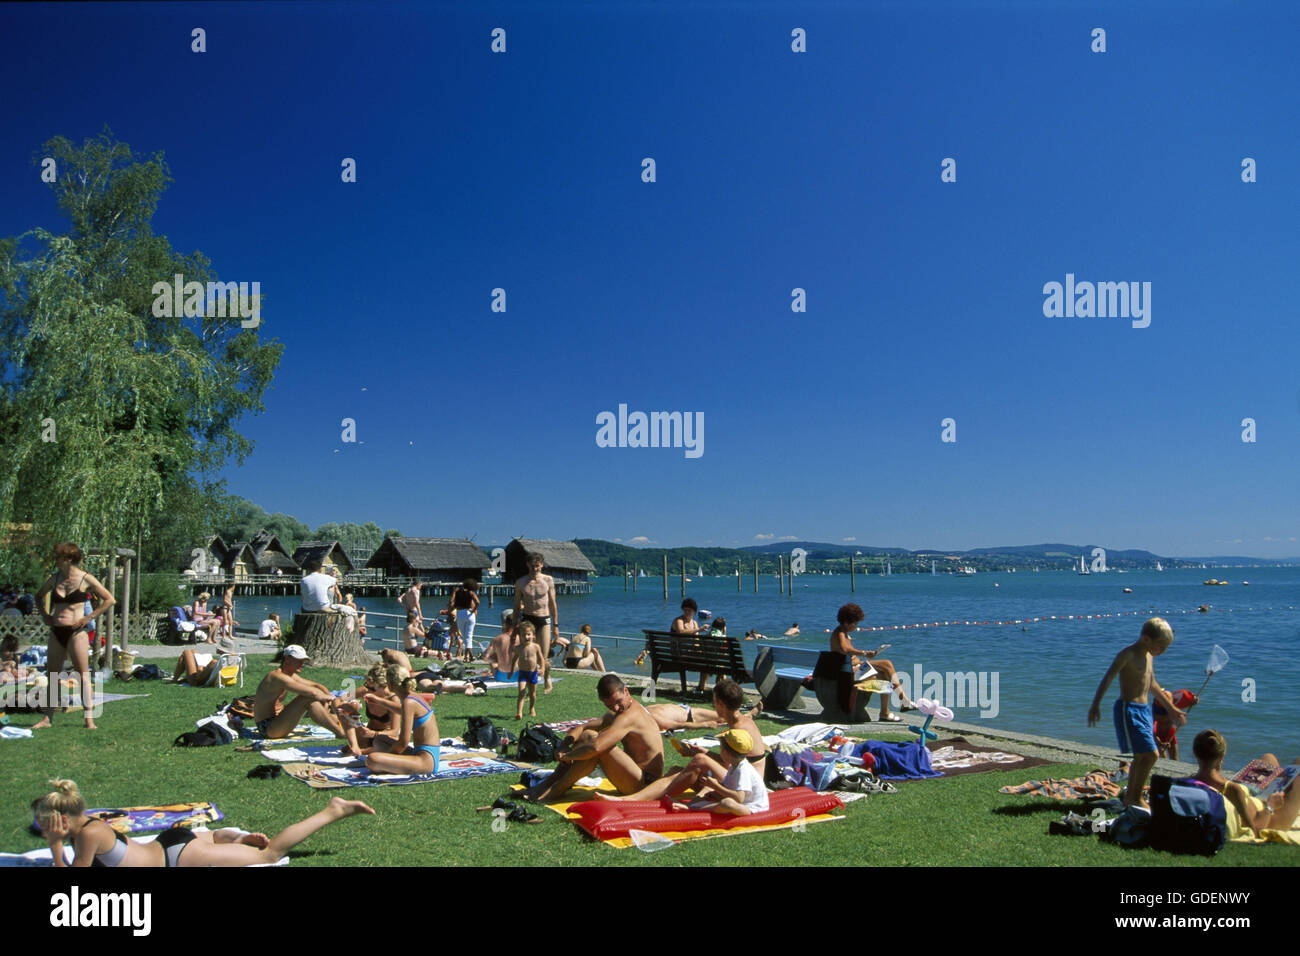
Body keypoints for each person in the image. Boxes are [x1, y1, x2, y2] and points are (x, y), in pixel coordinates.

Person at [33, 778, 373, 867]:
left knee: (268, 856)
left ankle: (333, 810)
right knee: (229, 846)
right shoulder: (89, 822)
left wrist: (54, 844)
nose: (41, 827)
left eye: (44, 822)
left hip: (174, 857)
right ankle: (228, 839)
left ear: (62, 819)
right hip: (167, 844)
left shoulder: (87, 835)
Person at [1087, 616, 1185, 810]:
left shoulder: (1149, 655)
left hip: (1144, 710)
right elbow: (1108, 678)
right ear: (1146, 639)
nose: (1163, 651)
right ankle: (1134, 797)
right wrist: (1095, 705)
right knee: (1151, 754)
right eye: (1161, 646)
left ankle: (1131, 796)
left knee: (1142, 756)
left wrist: (1171, 708)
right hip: (1128, 709)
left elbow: (1152, 685)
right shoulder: (1128, 654)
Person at [521, 674, 664, 803]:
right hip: (634, 776)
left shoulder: (630, 716)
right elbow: (583, 727)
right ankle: (546, 785)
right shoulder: (620, 710)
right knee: (588, 735)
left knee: (597, 747)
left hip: (645, 784)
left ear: (626, 691)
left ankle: (553, 791)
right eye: (610, 705)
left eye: (618, 701)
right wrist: (564, 744)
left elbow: (596, 747)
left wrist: (568, 755)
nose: (616, 707)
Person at [32, 543, 115, 731]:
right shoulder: (55, 579)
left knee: (83, 675)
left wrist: (89, 617)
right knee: (52, 675)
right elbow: (38, 596)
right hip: (57, 630)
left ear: (69, 559)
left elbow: (109, 599)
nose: (55, 559)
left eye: (58, 556)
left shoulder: (85, 579)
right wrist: (45, 615)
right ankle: (47, 718)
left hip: (77, 632)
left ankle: (89, 719)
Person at [597, 728, 769, 816]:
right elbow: (722, 789)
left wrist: (714, 787)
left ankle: (693, 810)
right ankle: (684, 804)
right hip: (739, 800)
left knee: (727, 804)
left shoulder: (743, 770)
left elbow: (738, 798)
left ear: (726, 751)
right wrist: (704, 793)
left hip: (750, 808)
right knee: (684, 775)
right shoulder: (735, 766)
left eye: (721, 747)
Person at [1191, 730, 1300, 839]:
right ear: (1222, 756)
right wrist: (1270, 805)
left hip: (1249, 792)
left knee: (1269, 758)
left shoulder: (1187, 782)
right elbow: (1255, 831)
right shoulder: (1232, 789)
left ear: (1195, 753)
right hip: (1267, 817)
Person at [829, 603, 915, 722]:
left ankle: (885, 712)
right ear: (847, 622)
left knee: (886, 675)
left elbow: (846, 651)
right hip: (849, 673)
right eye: (855, 623)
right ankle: (904, 701)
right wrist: (864, 653)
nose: (856, 626)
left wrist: (865, 655)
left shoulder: (842, 633)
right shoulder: (840, 633)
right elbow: (845, 649)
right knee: (887, 664)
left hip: (852, 670)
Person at [359, 665, 441, 775]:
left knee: (372, 759)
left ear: (391, 685)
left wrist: (389, 757)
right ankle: (393, 764)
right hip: (423, 754)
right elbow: (400, 709)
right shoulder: (413, 697)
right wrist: (378, 700)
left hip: (426, 761)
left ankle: (390, 764)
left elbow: (403, 742)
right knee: (379, 740)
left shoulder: (409, 702)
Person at [252, 645, 346, 740]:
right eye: (299, 661)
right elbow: (313, 693)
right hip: (267, 728)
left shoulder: (289, 675)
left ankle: (349, 728)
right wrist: (334, 699)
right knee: (306, 698)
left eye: (303, 661)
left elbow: (317, 686)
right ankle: (340, 733)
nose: (302, 664)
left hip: (278, 722)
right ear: (287, 659)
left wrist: (328, 699)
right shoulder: (277, 677)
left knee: (330, 712)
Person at [513, 552, 559, 693]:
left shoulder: (548, 580)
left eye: (537, 566)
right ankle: (528, 689)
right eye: (532, 566)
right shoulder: (521, 582)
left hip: (544, 618)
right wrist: (515, 624)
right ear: (528, 565)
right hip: (528, 619)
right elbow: (516, 605)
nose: (535, 569)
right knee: (529, 656)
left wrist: (556, 625)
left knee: (543, 656)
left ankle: (546, 677)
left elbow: (553, 604)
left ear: (542, 565)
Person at [340, 663, 401, 756]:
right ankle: (356, 747)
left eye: (371, 687)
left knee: (392, 745)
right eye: (367, 685)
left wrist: (373, 734)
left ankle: (361, 751)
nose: (367, 689)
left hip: (383, 736)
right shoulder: (366, 690)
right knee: (347, 707)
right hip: (366, 734)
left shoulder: (393, 700)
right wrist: (342, 709)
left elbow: (395, 731)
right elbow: (339, 699)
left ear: (384, 687)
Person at [1154, 688, 1199, 760]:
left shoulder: (1171, 707)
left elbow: (1189, 699)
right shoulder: (1156, 715)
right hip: (1158, 735)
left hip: (1170, 733)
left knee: (1175, 759)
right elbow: (1151, 731)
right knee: (1163, 758)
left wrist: (1194, 701)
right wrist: (1159, 743)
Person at [514, 620, 542, 719]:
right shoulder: (518, 648)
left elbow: (541, 659)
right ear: (520, 636)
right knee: (521, 692)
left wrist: (542, 668)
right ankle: (519, 712)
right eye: (523, 635)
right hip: (522, 673)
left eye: (528, 634)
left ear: (533, 635)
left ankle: (531, 708)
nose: (526, 637)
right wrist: (511, 671)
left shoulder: (536, 647)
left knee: (532, 693)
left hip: (533, 673)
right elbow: (514, 659)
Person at [449, 579, 480, 660]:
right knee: (468, 636)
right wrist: (473, 610)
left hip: (460, 613)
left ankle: (469, 656)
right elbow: (477, 602)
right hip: (470, 614)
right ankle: (469, 656)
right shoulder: (471, 592)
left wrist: (454, 593)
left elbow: (451, 601)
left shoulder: (457, 591)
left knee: (465, 637)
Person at [484, 612, 518, 681]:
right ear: (517, 625)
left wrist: (495, 661)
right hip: (516, 676)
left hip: (501, 677)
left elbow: (485, 657)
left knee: (493, 658)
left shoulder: (497, 639)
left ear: (505, 624)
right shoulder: (521, 639)